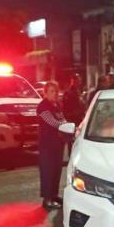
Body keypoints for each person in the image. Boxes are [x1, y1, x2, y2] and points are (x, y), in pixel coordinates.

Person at [37, 81, 68, 210]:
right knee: (48, 171)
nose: (54, 94)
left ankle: (54, 195)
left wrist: (65, 124)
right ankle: (47, 199)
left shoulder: (56, 105)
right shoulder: (43, 106)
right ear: (45, 93)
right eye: (51, 91)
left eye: (55, 91)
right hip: (47, 144)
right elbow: (53, 122)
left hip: (58, 143)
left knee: (56, 170)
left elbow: (63, 119)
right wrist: (66, 126)